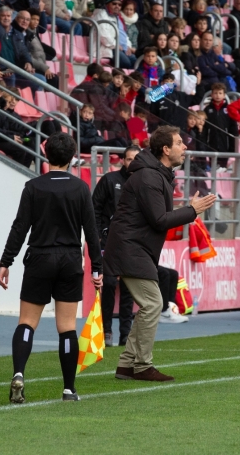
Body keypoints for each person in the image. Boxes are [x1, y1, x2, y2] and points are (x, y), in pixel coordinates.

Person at [103, 126, 216, 382]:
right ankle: (141, 365)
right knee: (153, 304)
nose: (184, 147)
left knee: (150, 304)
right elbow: (159, 219)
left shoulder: (156, 175)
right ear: (166, 150)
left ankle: (127, 364)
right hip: (129, 250)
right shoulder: (149, 177)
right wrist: (191, 210)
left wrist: (189, 209)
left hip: (133, 249)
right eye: (179, 143)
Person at [0, 132, 104, 403]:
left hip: (40, 257)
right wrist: (97, 269)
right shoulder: (80, 188)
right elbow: (92, 233)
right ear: (72, 157)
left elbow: (19, 227)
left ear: (46, 154)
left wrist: (6, 261)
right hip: (69, 259)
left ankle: (19, 373)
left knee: (27, 322)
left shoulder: (33, 187)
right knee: (67, 327)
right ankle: (69, 389)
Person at [93, 146, 141, 346]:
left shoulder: (143, 183)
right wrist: (95, 237)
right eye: (129, 159)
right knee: (110, 284)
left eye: (136, 160)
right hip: (108, 242)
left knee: (129, 288)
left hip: (132, 243)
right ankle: (106, 331)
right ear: (123, 160)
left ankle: (125, 334)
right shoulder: (109, 181)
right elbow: (94, 209)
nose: (132, 163)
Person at [201, 82, 238, 171]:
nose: (218, 95)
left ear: (224, 95)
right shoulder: (207, 109)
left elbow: (233, 128)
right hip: (211, 143)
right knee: (213, 168)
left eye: (220, 93)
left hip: (225, 144)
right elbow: (204, 129)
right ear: (212, 94)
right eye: (215, 93)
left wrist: (233, 147)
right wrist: (204, 145)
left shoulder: (229, 109)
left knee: (222, 168)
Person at [92, 0, 136, 69]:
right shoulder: (101, 15)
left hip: (117, 47)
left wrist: (128, 45)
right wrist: (116, 45)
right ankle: (121, 79)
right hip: (106, 47)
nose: (117, 6)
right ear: (107, 4)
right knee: (126, 63)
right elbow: (103, 36)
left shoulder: (116, 17)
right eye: (114, 4)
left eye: (119, 5)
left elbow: (122, 34)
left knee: (136, 61)